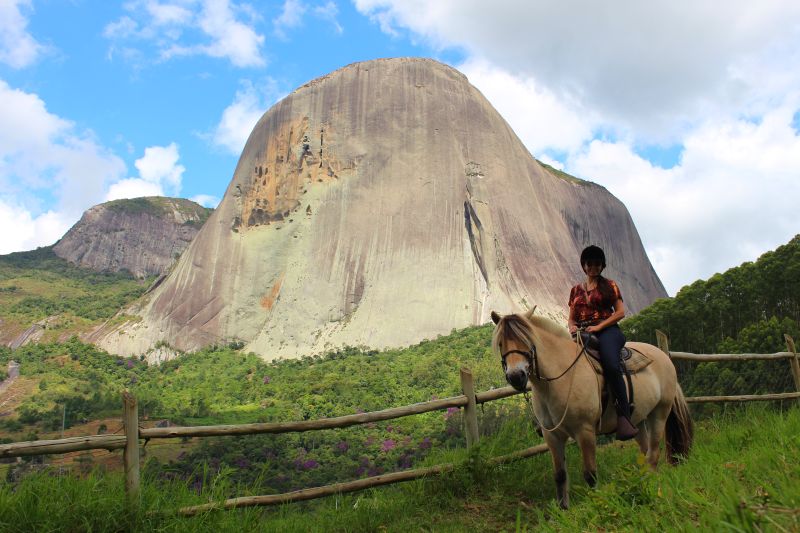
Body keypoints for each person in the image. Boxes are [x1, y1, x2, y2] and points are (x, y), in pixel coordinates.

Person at [567, 245, 639, 441]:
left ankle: (624, 414)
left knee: (611, 365)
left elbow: (620, 312)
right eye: (590, 263)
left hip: (608, 331)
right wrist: (572, 327)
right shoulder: (575, 290)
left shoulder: (610, 285)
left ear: (602, 265)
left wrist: (599, 327)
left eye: (597, 264)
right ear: (584, 266)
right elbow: (571, 318)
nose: (593, 267)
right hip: (583, 332)